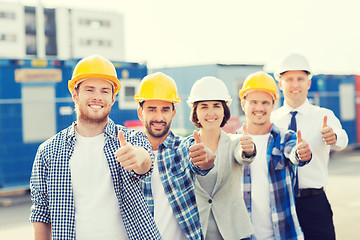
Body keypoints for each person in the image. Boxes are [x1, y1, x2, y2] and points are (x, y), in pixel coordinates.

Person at [29, 55, 161, 240]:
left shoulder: (131, 139)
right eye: (89, 89)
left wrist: (138, 157)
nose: (97, 97)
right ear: (75, 95)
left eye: (105, 91)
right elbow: (41, 212)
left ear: (113, 98)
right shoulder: (48, 151)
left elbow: (146, 163)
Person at [272, 53, 349, 240]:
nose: (295, 84)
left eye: (300, 78)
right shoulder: (272, 120)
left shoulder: (323, 115)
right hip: (280, 203)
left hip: (314, 203)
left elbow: (343, 138)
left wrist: (334, 137)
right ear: (280, 84)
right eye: (289, 79)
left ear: (308, 83)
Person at [135, 72, 215, 240]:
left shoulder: (184, 148)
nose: (159, 117)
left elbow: (201, 162)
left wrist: (206, 159)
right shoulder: (131, 153)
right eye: (152, 109)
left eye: (165, 110)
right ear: (140, 113)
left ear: (173, 113)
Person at [239, 71, 312, 240]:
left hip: (285, 234)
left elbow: (294, 153)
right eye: (253, 102)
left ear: (273, 105)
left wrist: (301, 154)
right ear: (243, 104)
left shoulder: (285, 137)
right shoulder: (233, 143)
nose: (259, 108)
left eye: (265, 102)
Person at [186, 76, 254, 239]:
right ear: (195, 111)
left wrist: (249, 150)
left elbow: (244, 156)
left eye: (216, 106)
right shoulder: (185, 147)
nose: (210, 113)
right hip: (198, 232)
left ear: (224, 110)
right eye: (203, 107)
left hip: (234, 233)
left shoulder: (235, 142)